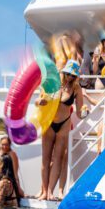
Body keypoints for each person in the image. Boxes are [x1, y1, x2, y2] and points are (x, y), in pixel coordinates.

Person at [37, 60, 91, 200]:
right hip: (49, 124)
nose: (70, 78)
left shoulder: (76, 88)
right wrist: (40, 102)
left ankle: (50, 192)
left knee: (59, 158)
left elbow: (79, 112)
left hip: (64, 124)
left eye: (73, 76)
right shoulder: (52, 83)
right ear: (64, 72)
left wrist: (86, 112)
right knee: (46, 159)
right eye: (68, 74)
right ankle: (43, 191)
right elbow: (38, 101)